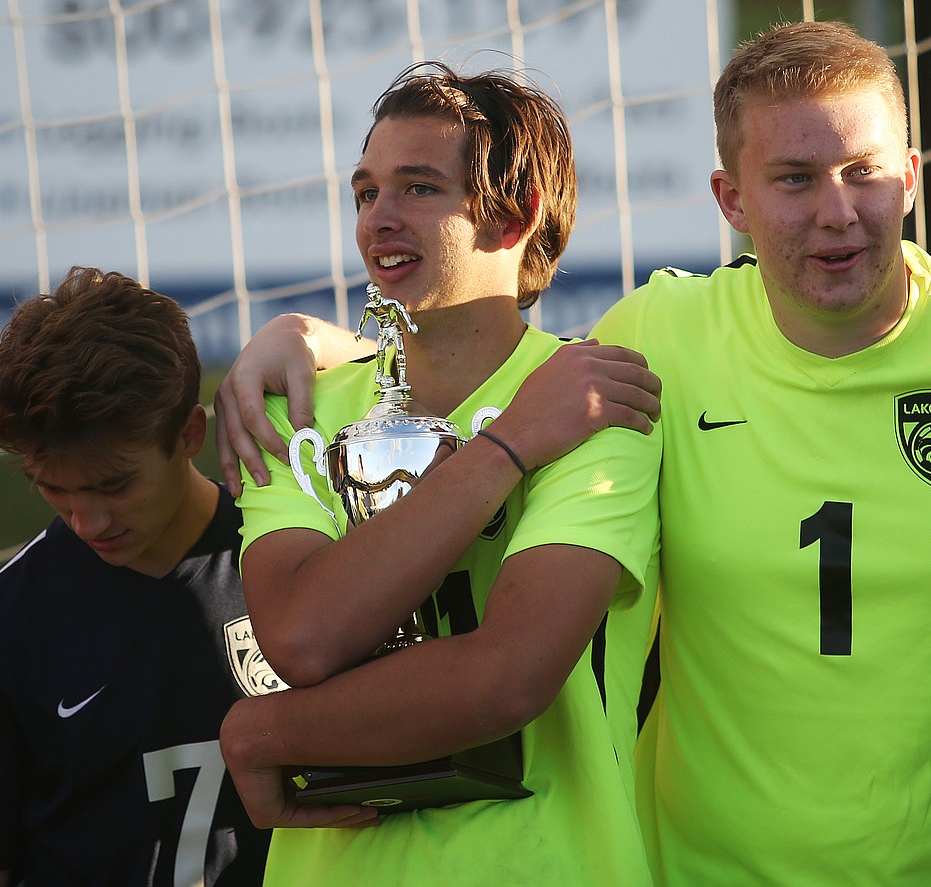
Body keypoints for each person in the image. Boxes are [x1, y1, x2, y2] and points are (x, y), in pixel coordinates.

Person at [216, 20, 931, 886]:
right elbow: (479, 351)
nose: (836, 210)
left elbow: (507, 665)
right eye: (794, 178)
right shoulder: (659, 340)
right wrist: (312, 340)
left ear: (910, 178)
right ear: (731, 200)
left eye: (863, 171)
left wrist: (262, 732)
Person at [217, 62, 663, 885]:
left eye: (418, 190)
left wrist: (262, 733)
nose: (377, 220)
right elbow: (305, 633)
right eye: (365, 193)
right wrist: (509, 447)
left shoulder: (597, 403)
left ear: (515, 214)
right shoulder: (300, 407)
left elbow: (506, 680)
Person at [0, 267, 295, 886]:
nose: (88, 519)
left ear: (190, 434)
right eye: (53, 487)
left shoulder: (293, 563)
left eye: (114, 484)